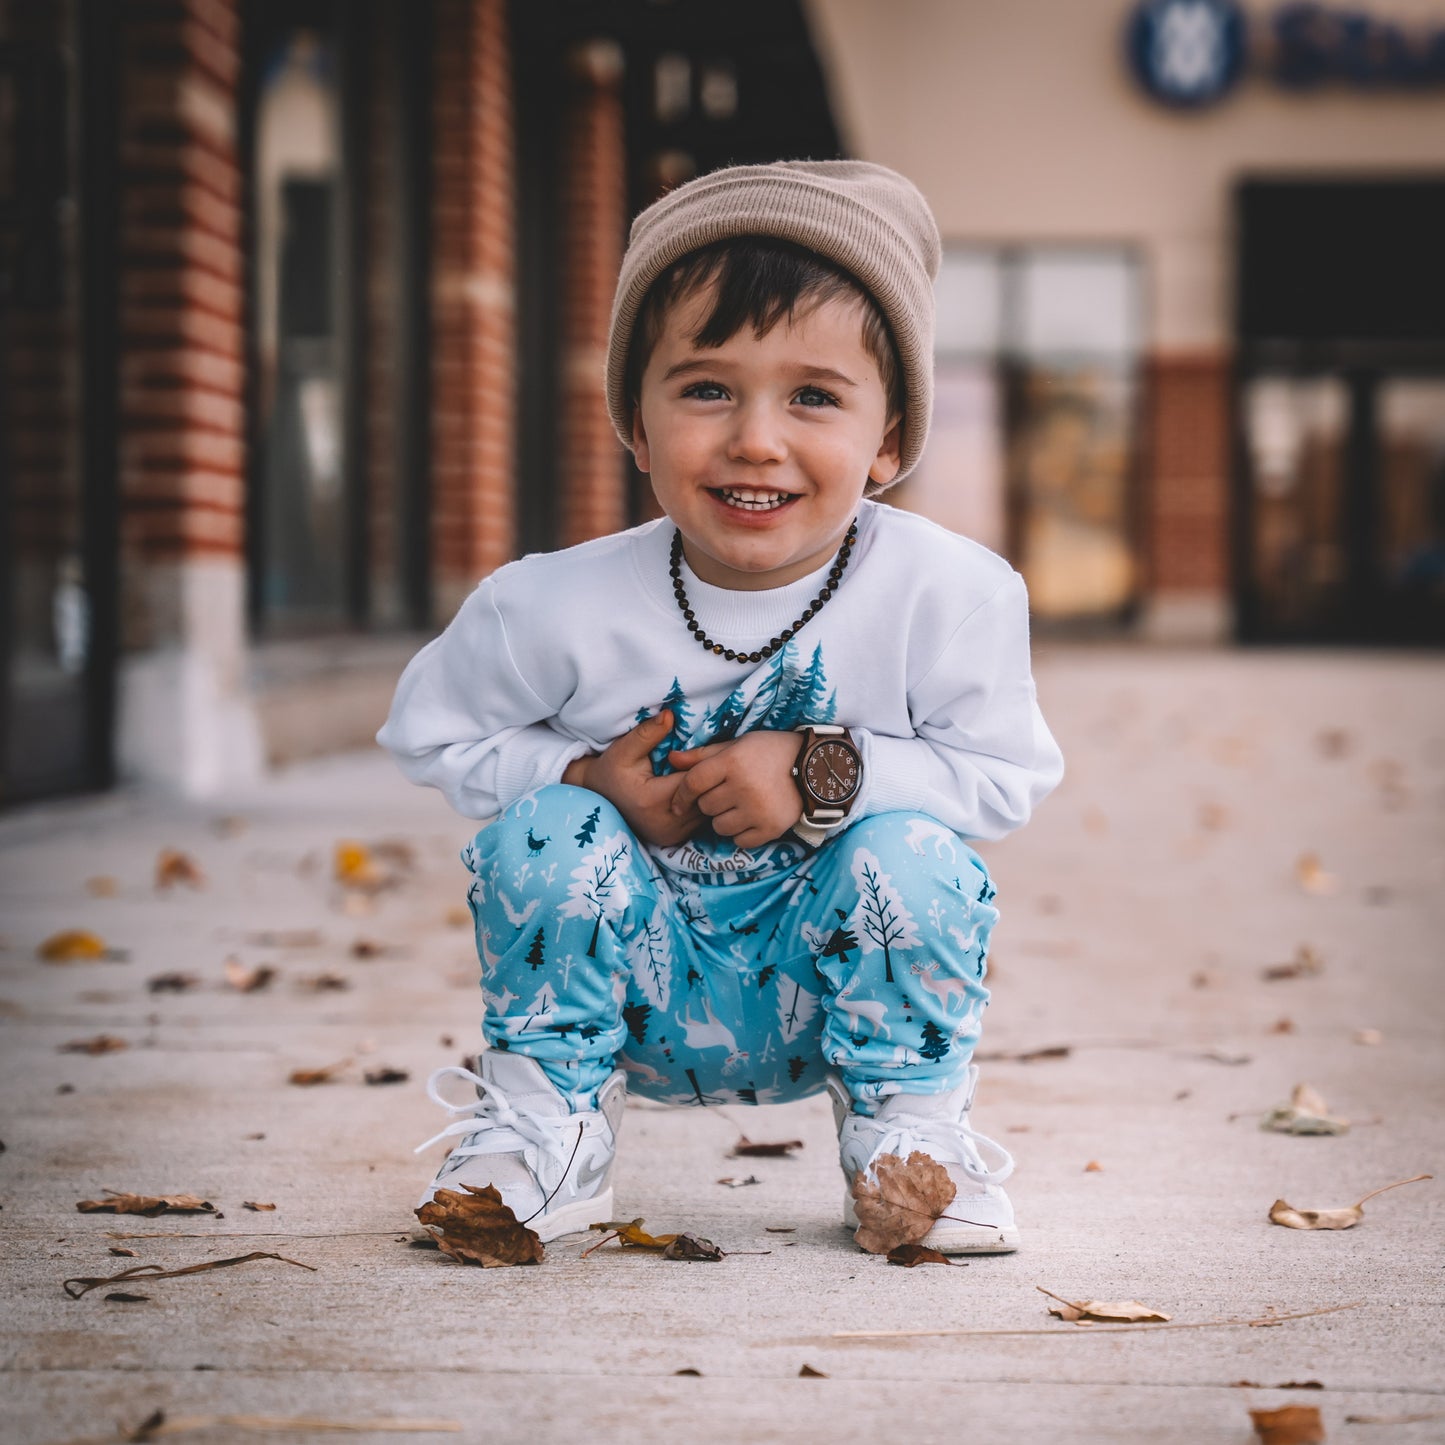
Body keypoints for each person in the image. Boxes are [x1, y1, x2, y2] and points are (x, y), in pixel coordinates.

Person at [377, 160, 1064, 1254]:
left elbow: (1005, 774)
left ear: (888, 438)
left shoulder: (952, 594)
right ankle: (547, 1133)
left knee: (919, 856)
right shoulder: (548, 603)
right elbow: (430, 730)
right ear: (635, 426)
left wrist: (822, 770)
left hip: (830, 987)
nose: (754, 437)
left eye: (812, 396)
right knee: (546, 833)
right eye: (705, 389)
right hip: (625, 985)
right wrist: (581, 777)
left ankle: (907, 1145)